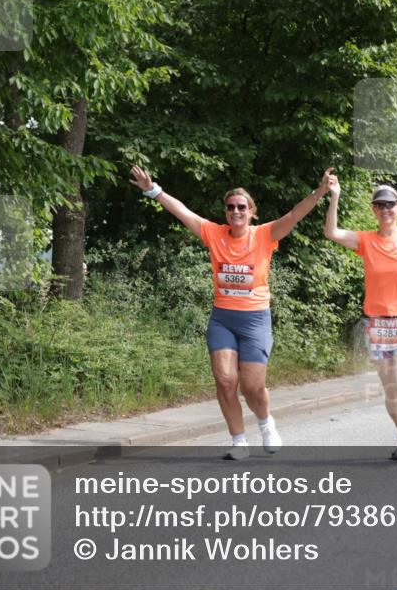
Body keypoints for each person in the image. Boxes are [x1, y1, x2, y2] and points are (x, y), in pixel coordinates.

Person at [129, 166, 330, 460]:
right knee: (225, 381)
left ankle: (266, 422)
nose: (236, 211)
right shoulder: (214, 234)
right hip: (223, 319)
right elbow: (182, 212)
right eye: (231, 207)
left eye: (242, 207)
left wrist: (320, 192)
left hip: (255, 320)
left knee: (252, 387)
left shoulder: (265, 235)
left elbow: (294, 215)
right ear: (226, 212)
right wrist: (152, 190)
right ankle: (239, 441)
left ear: (251, 212)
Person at [324, 173, 397, 462]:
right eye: (380, 205)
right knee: (389, 386)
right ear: (374, 210)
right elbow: (332, 232)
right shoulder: (365, 240)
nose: (385, 209)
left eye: (390, 204)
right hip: (377, 322)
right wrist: (335, 196)